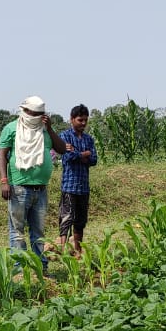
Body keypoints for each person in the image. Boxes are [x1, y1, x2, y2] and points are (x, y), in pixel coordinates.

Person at [0, 96, 67, 271]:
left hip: (40, 190)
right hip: (19, 188)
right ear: (24, 111)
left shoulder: (44, 130)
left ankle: (40, 268)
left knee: (38, 232)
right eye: (33, 113)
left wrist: (50, 128)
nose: (36, 117)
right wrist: (4, 181)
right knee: (17, 231)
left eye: (40, 114)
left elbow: (61, 149)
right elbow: (1, 155)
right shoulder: (11, 129)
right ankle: (19, 270)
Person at [57, 104, 98, 257]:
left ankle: (78, 250)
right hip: (69, 185)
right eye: (80, 120)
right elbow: (67, 156)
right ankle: (63, 250)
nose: (83, 123)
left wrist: (78, 153)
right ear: (72, 119)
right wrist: (84, 154)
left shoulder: (88, 139)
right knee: (66, 218)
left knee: (80, 220)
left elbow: (94, 159)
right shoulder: (65, 136)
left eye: (85, 120)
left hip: (83, 186)